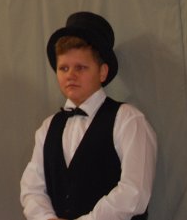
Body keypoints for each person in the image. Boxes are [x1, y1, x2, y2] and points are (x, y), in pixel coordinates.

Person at [20, 12, 157, 220]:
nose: (70, 75)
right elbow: (31, 189)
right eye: (63, 68)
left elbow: (134, 192)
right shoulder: (48, 127)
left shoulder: (128, 120)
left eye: (81, 68)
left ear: (102, 72)